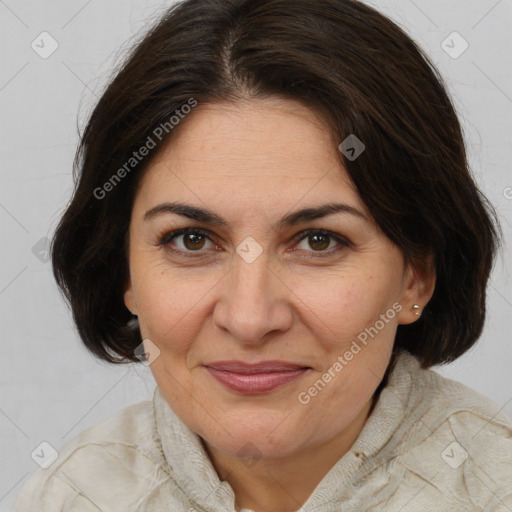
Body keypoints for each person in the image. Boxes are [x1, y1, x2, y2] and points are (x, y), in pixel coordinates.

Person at [13, 0, 512, 510]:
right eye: (192, 240)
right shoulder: (68, 497)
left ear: (417, 277)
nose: (249, 319)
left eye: (319, 240)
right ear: (124, 272)